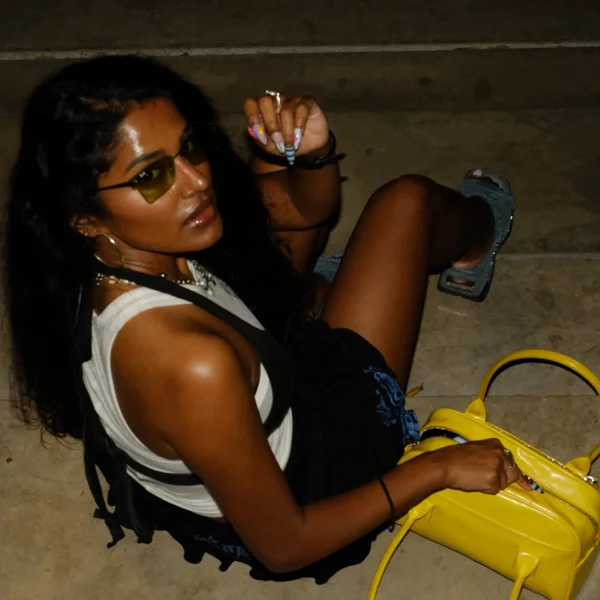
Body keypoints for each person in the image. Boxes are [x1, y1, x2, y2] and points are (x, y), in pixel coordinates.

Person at [5, 55, 531, 584]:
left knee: (270, 178)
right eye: (151, 175)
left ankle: (316, 293)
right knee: (407, 202)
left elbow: (298, 209)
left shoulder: (97, 259)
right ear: (86, 217)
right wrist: (436, 467)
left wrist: (314, 154)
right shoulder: (191, 363)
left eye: (189, 146)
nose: (196, 180)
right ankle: (476, 241)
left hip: (237, 442)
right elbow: (286, 547)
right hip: (313, 490)